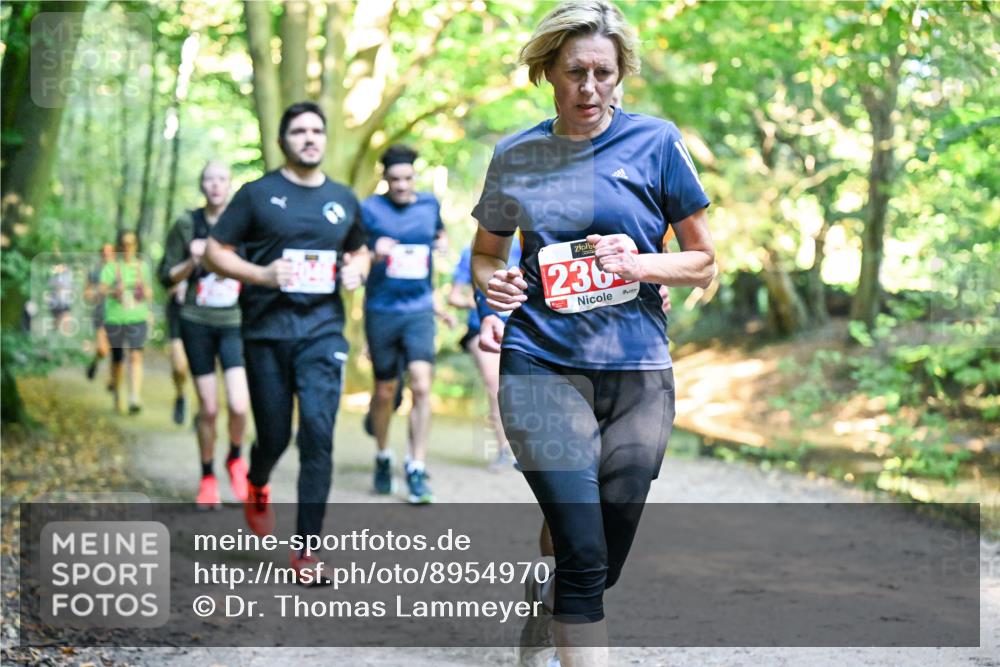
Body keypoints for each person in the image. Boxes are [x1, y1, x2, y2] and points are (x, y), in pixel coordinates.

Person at [470, 2, 716, 665]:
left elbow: (703, 261)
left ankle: (547, 597)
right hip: (540, 360)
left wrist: (639, 264)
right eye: (575, 72)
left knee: (603, 550)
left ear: (620, 74)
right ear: (547, 71)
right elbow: (486, 253)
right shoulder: (517, 154)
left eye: (603, 73)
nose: (589, 88)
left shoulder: (656, 143)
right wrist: (493, 284)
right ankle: (565, 598)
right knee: (583, 553)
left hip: (637, 370)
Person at [205, 101, 369, 581]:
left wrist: (357, 271)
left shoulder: (342, 198)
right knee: (274, 434)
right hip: (266, 332)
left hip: (322, 331)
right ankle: (257, 480)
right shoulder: (256, 195)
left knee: (317, 432)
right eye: (299, 131)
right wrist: (261, 274)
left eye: (317, 130)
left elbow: (359, 250)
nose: (309, 138)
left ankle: (307, 551)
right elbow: (214, 251)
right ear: (282, 142)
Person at [360, 144, 452, 503]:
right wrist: (373, 252)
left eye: (407, 178)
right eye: (394, 179)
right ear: (384, 177)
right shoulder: (369, 209)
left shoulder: (429, 205)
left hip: (419, 309)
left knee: (422, 384)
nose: (401, 185)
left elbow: (439, 233)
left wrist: (442, 243)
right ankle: (383, 456)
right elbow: (353, 255)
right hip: (382, 310)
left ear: (415, 176)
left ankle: (416, 465)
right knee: (385, 391)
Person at [160, 161, 250, 511]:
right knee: (209, 408)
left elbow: (255, 268)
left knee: (239, 404)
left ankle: (235, 457)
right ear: (201, 185)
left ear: (229, 184)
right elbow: (165, 276)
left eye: (221, 179)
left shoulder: (243, 222)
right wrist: (192, 262)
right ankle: (208, 477)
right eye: (209, 179)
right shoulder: (186, 224)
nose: (215, 185)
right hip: (196, 322)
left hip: (234, 322)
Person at [448, 237, 522, 470]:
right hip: (482, 327)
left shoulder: (528, 245)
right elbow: (453, 296)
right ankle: (504, 450)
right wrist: (487, 303)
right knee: (495, 384)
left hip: (521, 328)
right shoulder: (471, 250)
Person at [100, 230, 154, 415]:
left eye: (131, 243)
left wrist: (147, 296)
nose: (127, 247)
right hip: (115, 318)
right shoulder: (111, 267)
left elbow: (148, 291)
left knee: (136, 355)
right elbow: (101, 290)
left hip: (137, 317)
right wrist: (114, 291)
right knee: (118, 360)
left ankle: (134, 397)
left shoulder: (142, 267)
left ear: (136, 246)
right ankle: (117, 395)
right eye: (124, 244)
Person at [85, 243, 115, 382]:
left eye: (109, 252)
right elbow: (87, 294)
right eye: (104, 252)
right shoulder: (94, 272)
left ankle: (113, 380)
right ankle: (95, 362)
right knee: (103, 350)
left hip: (118, 315)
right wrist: (96, 293)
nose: (106, 255)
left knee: (116, 350)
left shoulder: (119, 271)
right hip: (100, 314)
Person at [164, 281, 190, 425]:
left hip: (206, 317)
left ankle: (202, 410)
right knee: (179, 367)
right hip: (177, 314)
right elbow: (164, 279)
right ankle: (180, 396)